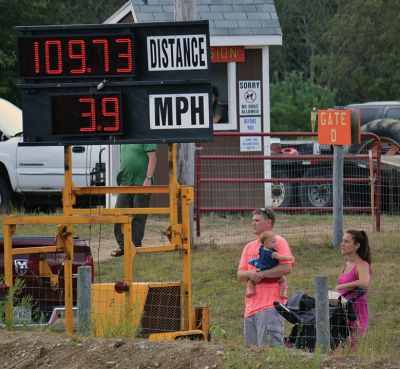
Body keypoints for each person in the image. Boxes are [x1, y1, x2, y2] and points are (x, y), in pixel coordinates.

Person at [237, 208, 294, 347]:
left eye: (257, 220)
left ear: (268, 223)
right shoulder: (248, 247)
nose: (253, 223)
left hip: (270, 305)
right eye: (252, 220)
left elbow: (287, 267)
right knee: (252, 353)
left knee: (270, 353)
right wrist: (250, 274)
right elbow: (240, 274)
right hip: (250, 307)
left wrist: (261, 275)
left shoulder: (277, 241)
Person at [111, 144, 157, 257]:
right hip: (125, 181)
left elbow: (153, 157)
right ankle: (123, 246)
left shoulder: (145, 137)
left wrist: (148, 179)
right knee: (119, 214)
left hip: (142, 182)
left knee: (139, 216)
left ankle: (135, 246)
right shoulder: (124, 139)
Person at [335, 229, 372, 348]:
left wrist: (341, 286)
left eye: (346, 241)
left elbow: (364, 283)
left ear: (356, 246)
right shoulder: (347, 264)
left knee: (353, 346)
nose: (342, 244)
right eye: (342, 241)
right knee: (341, 345)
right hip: (343, 308)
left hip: (356, 310)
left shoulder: (362, 265)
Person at [246, 230, 294, 299]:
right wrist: (289, 258)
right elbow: (281, 257)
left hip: (260, 271)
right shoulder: (273, 253)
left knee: (250, 281)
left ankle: (251, 290)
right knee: (283, 280)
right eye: (273, 242)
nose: (276, 243)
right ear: (266, 244)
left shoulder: (261, 249)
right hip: (271, 274)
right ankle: (282, 293)